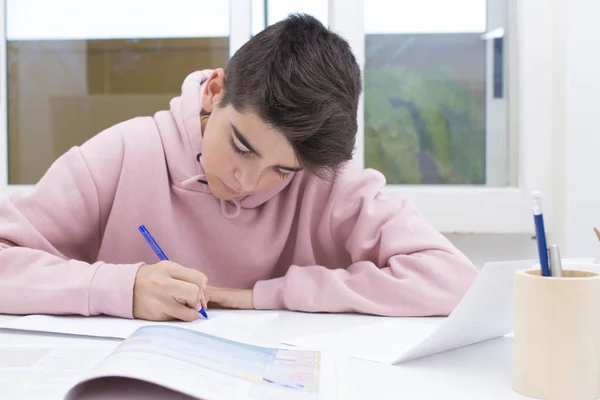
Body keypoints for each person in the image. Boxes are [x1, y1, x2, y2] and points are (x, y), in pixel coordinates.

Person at [0, 14, 478, 322]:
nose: (248, 183)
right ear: (214, 93)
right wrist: (120, 288)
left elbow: (454, 281)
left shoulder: (322, 176)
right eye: (243, 146)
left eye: (281, 172)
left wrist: (267, 295)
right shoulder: (120, 154)